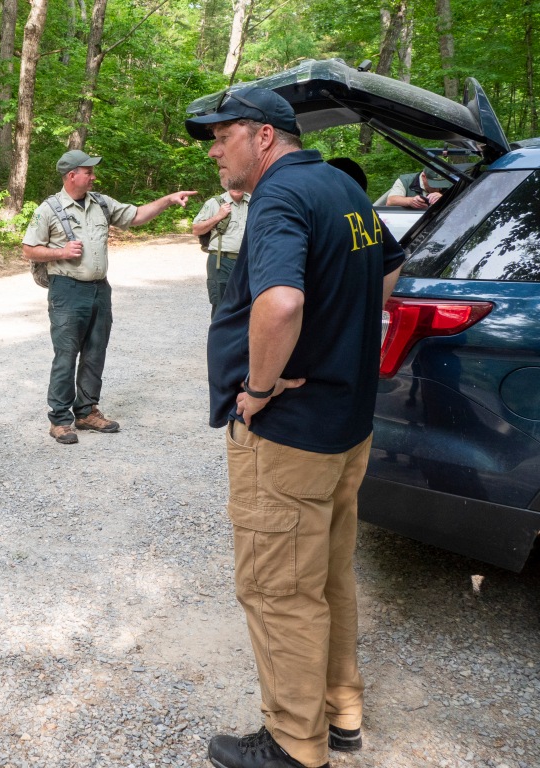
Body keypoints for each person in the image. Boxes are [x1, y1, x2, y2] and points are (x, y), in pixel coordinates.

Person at [186, 88, 405, 768]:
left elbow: (280, 302)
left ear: (265, 136)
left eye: (222, 136)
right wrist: (336, 339)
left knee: (279, 587)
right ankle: (341, 712)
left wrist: (257, 387)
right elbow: (389, 270)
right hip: (346, 427)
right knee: (329, 574)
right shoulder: (342, 185)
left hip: (289, 434)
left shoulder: (280, 196)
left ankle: (292, 744)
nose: (215, 150)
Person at [22, 149, 196, 444]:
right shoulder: (48, 209)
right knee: (66, 355)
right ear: (71, 175)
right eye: (88, 172)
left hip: (100, 289)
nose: (93, 176)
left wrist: (168, 200)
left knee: (95, 351)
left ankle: (87, 411)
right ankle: (60, 420)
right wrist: (61, 252)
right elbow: (28, 248)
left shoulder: (101, 203)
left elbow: (137, 215)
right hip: (67, 290)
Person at [192, 188, 249, 317]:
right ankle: (220, 337)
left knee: (248, 305)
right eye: (233, 184)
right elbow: (196, 230)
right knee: (220, 306)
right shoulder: (214, 203)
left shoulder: (254, 200)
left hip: (248, 261)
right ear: (227, 185)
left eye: (240, 183)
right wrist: (218, 216)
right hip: (221, 261)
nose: (237, 187)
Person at [380, 166, 450, 208]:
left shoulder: (451, 183)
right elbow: (391, 201)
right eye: (433, 184)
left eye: (441, 183)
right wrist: (410, 201)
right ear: (423, 176)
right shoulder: (406, 180)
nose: (437, 188)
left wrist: (443, 198)